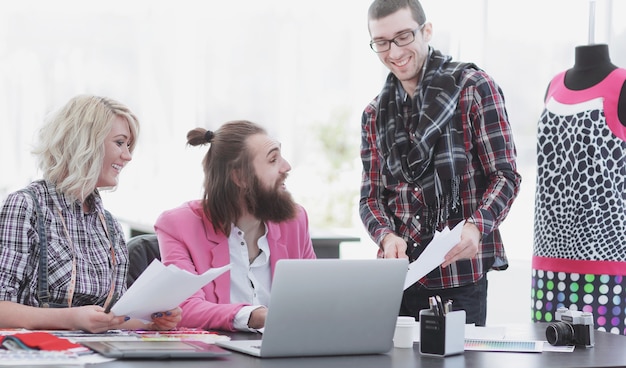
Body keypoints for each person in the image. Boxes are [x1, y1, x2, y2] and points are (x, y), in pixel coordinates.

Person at [360, 0, 521, 326]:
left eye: (403, 36)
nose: (393, 51)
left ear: (426, 31)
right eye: (381, 42)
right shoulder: (375, 113)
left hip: (459, 276)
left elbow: (505, 175)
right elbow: (371, 198)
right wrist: (387, 238)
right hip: (399, 280)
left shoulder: (474, 88)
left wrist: (476, 226)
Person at [0, 94, 181, 333]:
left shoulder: (110, 226)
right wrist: (71, 319)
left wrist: (153, 321)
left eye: (128, 146)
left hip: (97, 353)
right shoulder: (26, 206)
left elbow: (114, 318)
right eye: (120, 143)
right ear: (85, 142)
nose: (127, 156)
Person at [154, 120, 316, 332]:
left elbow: (313, 296)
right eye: (273, 160)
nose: (286, 167)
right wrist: (256, 316)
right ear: (240, 177)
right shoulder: (177, 226)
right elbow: (185, 307)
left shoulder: (294, 220)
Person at [532, 43, 626, 335]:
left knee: (606, 356)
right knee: (548, 350)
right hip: (546, 255)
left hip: (606, 256)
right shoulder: (553, 86)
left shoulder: (621, 84)